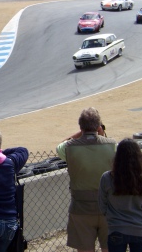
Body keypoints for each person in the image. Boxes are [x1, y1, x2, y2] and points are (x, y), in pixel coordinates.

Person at [56, 107, 117, 252]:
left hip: (81, 209)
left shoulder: (70, 147)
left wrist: (82, 132)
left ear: (81, 126)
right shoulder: (112, 145)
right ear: (98, 127)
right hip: (109, 207)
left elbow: (60, 146)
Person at [99, 138, 142, 252]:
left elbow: (102, 204)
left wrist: (112, 219)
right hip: (139, 229)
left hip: (116, 228)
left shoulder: (107, 178)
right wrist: (140, 220)